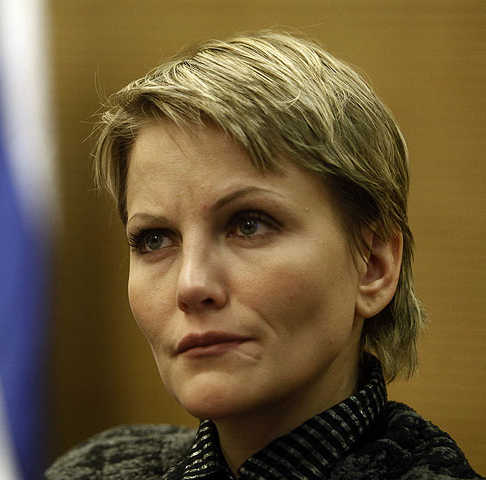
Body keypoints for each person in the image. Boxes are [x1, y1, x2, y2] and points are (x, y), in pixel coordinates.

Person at [46, 31, 482, 480]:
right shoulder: (93, 470)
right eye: (154, 240)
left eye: (249, 225)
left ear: (373, 266)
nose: (191, 285)